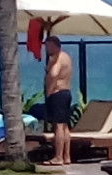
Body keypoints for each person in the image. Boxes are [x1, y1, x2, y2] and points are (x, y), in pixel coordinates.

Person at [43, 36, 73, 166]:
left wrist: (49, 90)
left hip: (57, 93)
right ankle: (66, 156)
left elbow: (54, 74)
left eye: (48, 46)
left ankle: (58, 157)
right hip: (66, 92)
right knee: (65, 126)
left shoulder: (56, 58)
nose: (47, 49)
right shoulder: (66, 57)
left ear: (55, 46)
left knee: (58, 126)